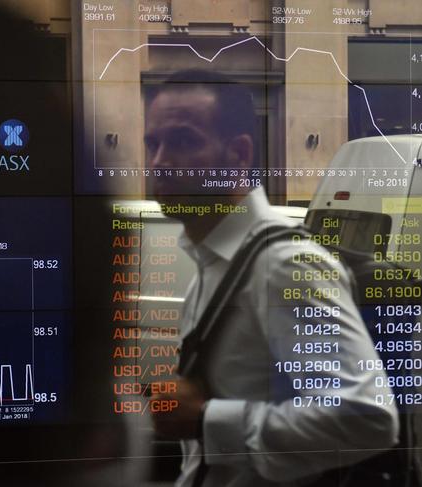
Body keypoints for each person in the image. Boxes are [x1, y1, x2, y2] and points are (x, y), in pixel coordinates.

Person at [145, 69, 399, 486]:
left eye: (183, 141)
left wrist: (209, 420)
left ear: (239, 156)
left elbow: (367, 417)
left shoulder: (284, 265)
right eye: (152, 144)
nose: (159, 162)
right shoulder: (213, 266)